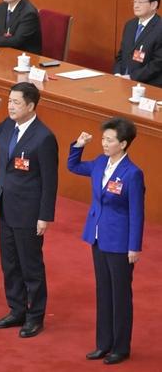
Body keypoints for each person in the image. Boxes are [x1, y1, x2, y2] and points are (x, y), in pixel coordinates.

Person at [0, 82, 58, 338]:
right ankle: (17, 309)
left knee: (30, 266)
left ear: (30, 106)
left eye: (16, 103)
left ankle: (35, 316)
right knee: (9, 263)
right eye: (9, 101)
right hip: (5, 206)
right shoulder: (8, 126)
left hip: (29, 212)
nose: (10, 106)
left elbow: (50, 181)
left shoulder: (44, 137)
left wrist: (44, 216)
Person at [67, 117, 144, 365]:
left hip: (120, 242)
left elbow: (137, 213)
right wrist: (78, 145)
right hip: (98, 237)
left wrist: (134, 246)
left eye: (109, 140)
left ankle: (120, 347)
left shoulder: (132, 174)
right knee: (103, 291)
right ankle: (103, 343)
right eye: (103, 139)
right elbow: (74, 166)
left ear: (123, 144)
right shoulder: (100, 162)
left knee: (120, 295)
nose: (104, 143)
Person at [113, 0, 162, 87]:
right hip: (122, 82)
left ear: (154, 5)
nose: (136, 5)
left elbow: (158, 63)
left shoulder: (159, 28)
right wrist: (117, 73)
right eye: (135, 1)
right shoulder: (130, 25)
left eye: (140, 2)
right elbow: (121, 55)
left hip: (148, 85)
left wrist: (131, 77)